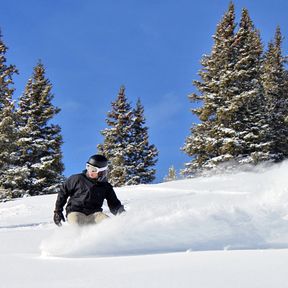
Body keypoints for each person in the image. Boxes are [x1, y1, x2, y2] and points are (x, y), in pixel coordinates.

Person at [53, 154, 125, 226]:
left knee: (109, 224)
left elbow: (114, 204)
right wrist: (58, 211)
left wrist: (125, 217)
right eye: (88, 167)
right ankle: (76, 236)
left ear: (101, 172)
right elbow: (63, 192)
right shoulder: (77, 179)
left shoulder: (105, 186)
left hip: (95, 214)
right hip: (75, 212)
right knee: (76, 226)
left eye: (94, 170)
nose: (90, 171)